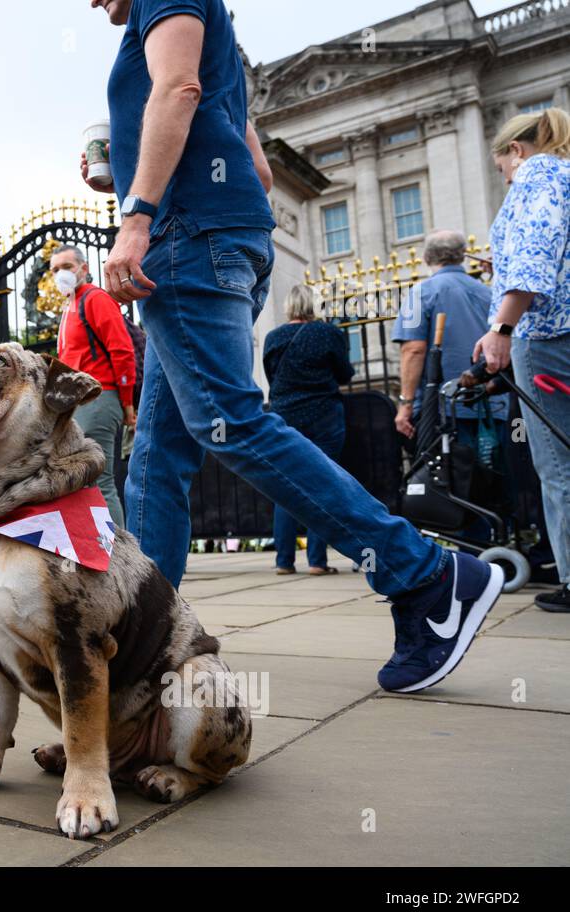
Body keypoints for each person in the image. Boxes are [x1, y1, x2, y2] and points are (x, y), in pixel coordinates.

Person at [88, 0, 502, 694]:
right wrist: (137, 174)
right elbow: (259, 170)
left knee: (233, 423)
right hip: (203, 241)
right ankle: (144, 646)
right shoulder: (204, 46)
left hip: (188, 244)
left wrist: (137, 214)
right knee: (157, 460)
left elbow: (177, 89)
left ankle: (427, 576)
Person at [473, 108, 570, 614]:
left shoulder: (538, 173)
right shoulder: (567, 176)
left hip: (548, 335)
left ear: (516, 150)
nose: (507, 178)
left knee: (557, 464)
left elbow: (535, 257)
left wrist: (501, 327)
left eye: (501, 169)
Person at [263, 285, 354, 575]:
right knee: (322, 483)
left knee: (286, 485)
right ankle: (317, 560)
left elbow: (271, 375)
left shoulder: (273, 337)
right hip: (323, 414)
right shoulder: (328, 333)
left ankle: (284, 561)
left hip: (284, 416)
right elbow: (344, 374)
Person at [50, 243, 137, 526]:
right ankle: (98, 553)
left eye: (66, 267)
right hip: (80, 402)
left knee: (99, 480)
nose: (59, 274)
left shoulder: (95, 298)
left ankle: (118, 558)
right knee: (86, 481)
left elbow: (122, 351)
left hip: (99, 398)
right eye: (54, 269)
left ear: (84, 269)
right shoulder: (70, 305)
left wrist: (126, 402)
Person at [393, 230, 508, 443]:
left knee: (453, 474)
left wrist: (405, 404)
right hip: (495, 403)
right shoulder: (489, 292)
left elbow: (413, 350)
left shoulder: (420, 292)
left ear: (426, 257)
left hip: (445, 408)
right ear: (463, 255)